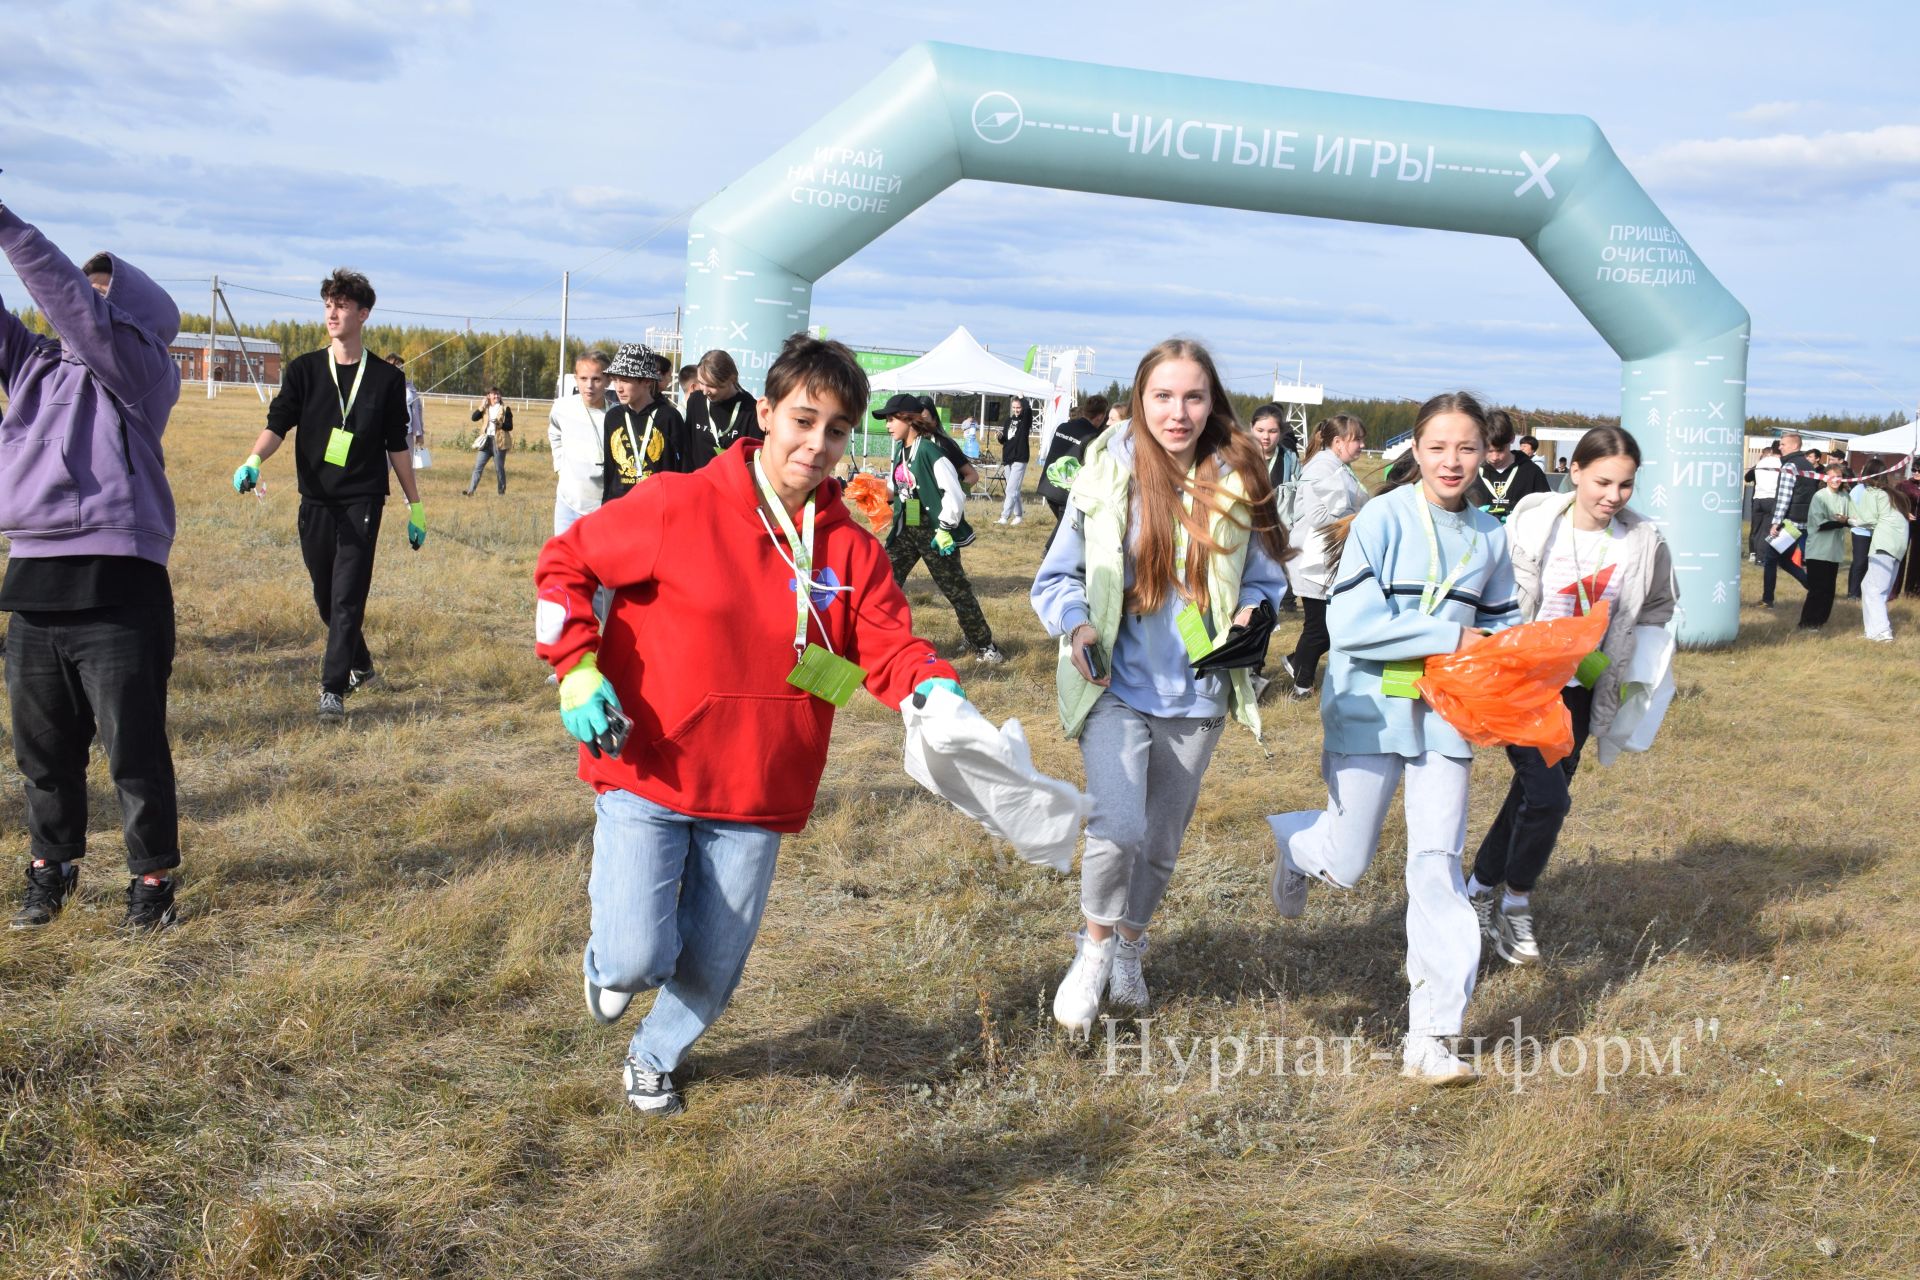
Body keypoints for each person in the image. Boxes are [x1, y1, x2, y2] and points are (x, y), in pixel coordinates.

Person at [533, 332, 969, 1115]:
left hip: (759, 787)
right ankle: (611, 965)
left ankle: (656, 1052)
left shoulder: (851, 550)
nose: (817, 444)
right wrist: (576, 665)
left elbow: (888, 646)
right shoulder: (678, 503)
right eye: (803, 420)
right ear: (763, 414)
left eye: (836, 430)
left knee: (715, 960)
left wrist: (935, 690)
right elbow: (567, 562)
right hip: (650, 766)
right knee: (639, 954)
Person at [1032, 339, 1290, 1032]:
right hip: (1113, 683)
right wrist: (1077, 624)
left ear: (1213, 404)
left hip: (1200, 693)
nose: (1178, 412)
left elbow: (1269, 580)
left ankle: (1131, 946)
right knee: (1118, 828)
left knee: (1161, 841)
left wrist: (1252, 611)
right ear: (1141, 400)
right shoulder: (1104, 473)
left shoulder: (1239, 478)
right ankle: (1092, 951)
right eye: (1163, 397)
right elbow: (1055, 580)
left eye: (1193, 397)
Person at [1267, 391, 1518, 1085]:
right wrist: (1450, 637)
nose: (1452, 461)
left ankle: (1431, 1037)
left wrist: (1520, 657)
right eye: (1438, 447)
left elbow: (1501, 628)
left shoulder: (1492, 536)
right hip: (1367, 707)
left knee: (1438, 866)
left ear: (1486, 454)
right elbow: (1350, 627)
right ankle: (1296, 844)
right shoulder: (1380, 517)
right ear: (1415, 447)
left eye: (1467, 448)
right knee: (1346, 863)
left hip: (1445, 716)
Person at [0, 198, 185, 930]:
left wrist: (7, 225)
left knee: (133, 751)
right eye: (85, 289)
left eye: (103, 295)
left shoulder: (142, 369)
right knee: (41, 749)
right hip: (35, 580)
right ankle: (53, 867)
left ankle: (151, 883)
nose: (82, 304)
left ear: (135, 315)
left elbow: (75, 311)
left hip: (121, 585)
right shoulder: (38, 367)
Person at [1467, 426, 1675, 966]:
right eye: (1603, 481)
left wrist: (1639, 662)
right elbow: (1493, 592)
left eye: (1626, 486)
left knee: (1531, 795)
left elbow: (1657, 607)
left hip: (1583, 689)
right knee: (1550, 797)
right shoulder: (1533, 524)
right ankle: (1514, 904)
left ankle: (1476, 890)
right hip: (1523, 684)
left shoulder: (1643, 540)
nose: (1613, 496)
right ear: (1575, 470)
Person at [233, 269, 425, 720]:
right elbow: (278, 423)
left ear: (363, 314)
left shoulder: (385, 380)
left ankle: (332, 688)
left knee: (347, 596)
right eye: (327, 305)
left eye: (341, 305)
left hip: (362, 500)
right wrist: (253, 459)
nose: (332, 313)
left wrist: (414, 505)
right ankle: (360, 661)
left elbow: (398, 445)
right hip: (315, 499)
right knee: (325, 594)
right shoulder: (304, 370)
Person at [877, 393, 1003, 663]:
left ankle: (985, 646)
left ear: (909, 420)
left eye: (891, 420)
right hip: (908, 527)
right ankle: (880, 644)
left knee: (956, 589)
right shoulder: (902, 450)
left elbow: (954, 492)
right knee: (884, 583)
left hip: (935, 533)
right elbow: (897, 488)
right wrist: (869, 492)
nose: (887, 426)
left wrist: (945, 527)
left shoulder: (931, 451)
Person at [1279, 415, 1369, 698]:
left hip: (1327, 556)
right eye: (1357, 439)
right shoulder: (1322, 468)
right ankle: (1302, 686)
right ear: (1338, 442)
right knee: (1320, 626)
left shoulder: (1339, 467)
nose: (1362, 445)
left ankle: (1297, 663)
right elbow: (1319, 516)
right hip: (1315, 558)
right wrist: (1359, 518)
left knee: (1327, 624)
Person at [602, 343, 690, 501]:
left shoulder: (668, 416)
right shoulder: (613, 417)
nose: (618, 388)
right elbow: (609, 468)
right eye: (615, 380)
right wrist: (605, 508)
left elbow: (682, 468)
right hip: (621, 508)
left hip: (657, 507)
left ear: (647, 381)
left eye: (625, 380)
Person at [548, 351, 614, 536]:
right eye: (583, 378)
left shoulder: (616, 415)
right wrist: (559, 465)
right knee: (563, 561)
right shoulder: (562, 408)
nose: (589, 386)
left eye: (596, 379)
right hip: (568, 503)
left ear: (608, 380)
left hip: (601, 505)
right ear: (576, 379)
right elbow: (554, 433)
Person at [1036, 394, 1112, 546]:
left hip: (1048, 485)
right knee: (1068, 527)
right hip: (1067, 492)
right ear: (1100, 417)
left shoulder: (1063, 426)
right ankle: (1049, 550)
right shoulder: (1092, 437)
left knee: (1067, 528)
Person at [1763, 431, 1820, 607]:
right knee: (1784, 560)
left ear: (1795, 446)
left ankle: (1767, 600)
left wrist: (1776, 522)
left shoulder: (1790, 466)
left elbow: (1784, 496)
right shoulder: (1809, 466)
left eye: (1783, 444)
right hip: (1803, 521)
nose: (1779, 447)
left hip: (1789, 522)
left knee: (1770, 558)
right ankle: (1813, 587)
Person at [1464, 408, 1550, 522]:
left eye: (1500, 450)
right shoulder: (1472, 472)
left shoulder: (1531, 472)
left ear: (1512, 439)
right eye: (1489, 451)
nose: (1494, 457)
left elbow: (1547, 510)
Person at [1856, 472, 1911, 641]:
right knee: (1870, 587)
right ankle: (1872, 632)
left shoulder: (1873, 493)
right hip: (1898, 548)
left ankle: (1882, 632)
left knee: (1875, 590)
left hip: (1883, 547)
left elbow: (1867, 519)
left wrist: (1848, 520)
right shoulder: (1896, 496)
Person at [683, 348, 761, 465]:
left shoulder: (751, 410)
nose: (705, 391)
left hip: (732, 482)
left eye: (711, 385)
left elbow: (754, 459)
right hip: (698, 480)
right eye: (701, 383)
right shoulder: (695, 401)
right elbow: (686, 447)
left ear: (732, 379)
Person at [1798, 462, 1850, 630]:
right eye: (1832, 476)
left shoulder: (1844, 496)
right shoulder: (1819, 496)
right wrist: (1841, 522)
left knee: (1829, 590)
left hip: (1834, 552)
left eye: (1839, 477)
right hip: (1818, 551)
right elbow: (1820, 524)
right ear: (1825, 478)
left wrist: (1849, 521)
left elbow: (1854, 517)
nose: (1836, 480)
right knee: (1817, 589)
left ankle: (1820, 622)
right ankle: (1806, 623)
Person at [464, 387, 512, 496]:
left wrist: (499, 424)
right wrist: (481, 406)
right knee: (478, 467)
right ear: (488, 396)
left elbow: (510, 426)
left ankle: (501, 493)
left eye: (498, 394)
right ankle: (470, 491)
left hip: (498, 442)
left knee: (499, 469)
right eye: (494, 394)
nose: (496, 396)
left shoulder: (505, 409)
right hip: (486, 441)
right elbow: (474, 418)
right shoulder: (485, 409)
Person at [996, 395, 1034, 526]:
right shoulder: (1008, 420)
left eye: (1018, 407)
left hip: (1020, 458)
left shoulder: (1025, 420)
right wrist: (1000, 437)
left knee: (1010, 489)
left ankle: (1004, 517)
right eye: (1014, 407)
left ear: (1022, 407)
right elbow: (1005, 439)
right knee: (1013, 489)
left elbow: (1028, 411)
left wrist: (1023, 399)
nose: (1016, 410)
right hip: (1008, 458)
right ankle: (1018, 515)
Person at [1747, 442, 1782, 564]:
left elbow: (1749, 476)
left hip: (1757, 498)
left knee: (1756, 529)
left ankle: (1755, 553)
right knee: (1767, 530)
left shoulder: (1761, 462)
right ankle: (1762, 558)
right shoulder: (1780, 463)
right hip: (1771, 498)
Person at [389, 352, 425, 465]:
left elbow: (418, 411)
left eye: (401, 366)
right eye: (397, 365)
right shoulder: (383, 385)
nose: (400, 368)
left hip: (407, 433)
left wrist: (419, 434)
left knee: (409, 467)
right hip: (388, 434)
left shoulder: (410, 387)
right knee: (384, 468)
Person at [1846, 468, 1874, 599]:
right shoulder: (1858, 490)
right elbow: (1850, 509)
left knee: (1868, 563)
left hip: (1875, 532)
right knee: (1859, 562)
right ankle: (1853, 592)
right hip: (1860, 531)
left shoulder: (1879, 490)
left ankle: (1862, 591)